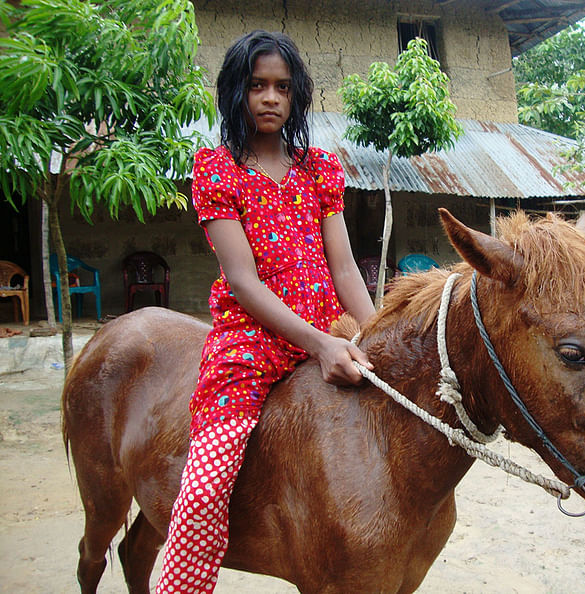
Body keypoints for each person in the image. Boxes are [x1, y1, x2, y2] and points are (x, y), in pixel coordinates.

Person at [156, 30, 375, 593]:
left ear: (297, 95)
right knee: (205, 486)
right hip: (248, 344)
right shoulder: (217, 170)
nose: (270, 98)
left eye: (281, 87)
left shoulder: (320, 169)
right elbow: (242, 281)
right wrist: (319, 346)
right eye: (257, 86)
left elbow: (346, 270)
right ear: (237, 93)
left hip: (330, 325)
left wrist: (372, 336)